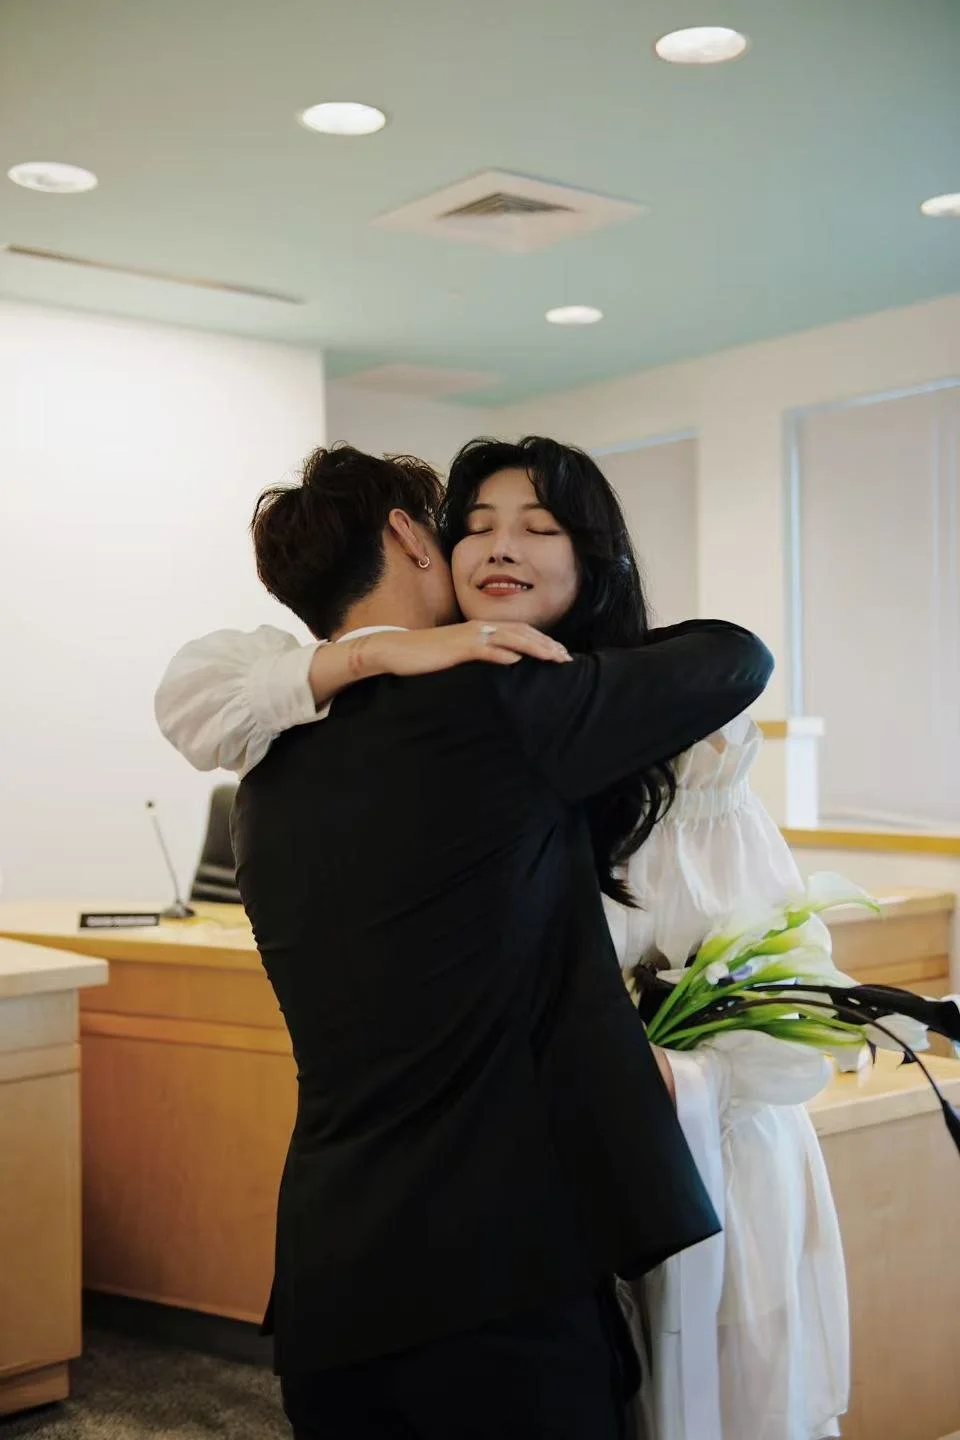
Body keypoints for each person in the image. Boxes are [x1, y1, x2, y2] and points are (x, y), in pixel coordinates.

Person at [156, 440, 773, 1440]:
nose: (487, 548)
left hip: (331, 1279)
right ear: (409, 534)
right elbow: (735, 657)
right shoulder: (498, 705)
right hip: (497, 1288)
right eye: (465, 526)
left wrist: (379, 653)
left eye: (534, 529)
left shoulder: (264, 771)